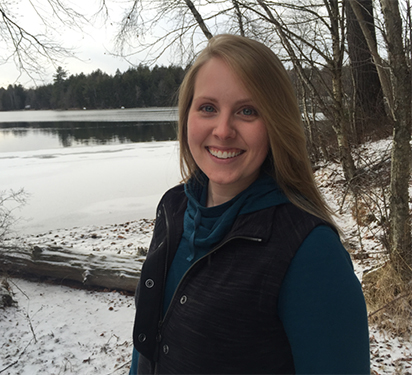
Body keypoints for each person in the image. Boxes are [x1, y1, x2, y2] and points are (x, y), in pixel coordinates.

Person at [129, 34, 370, 374]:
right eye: (208, 108)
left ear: (275, 124)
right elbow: (146, 350)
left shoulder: (310, 251)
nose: (223, 130)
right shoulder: (173, 208)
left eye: (247, 111)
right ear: (187, 117)